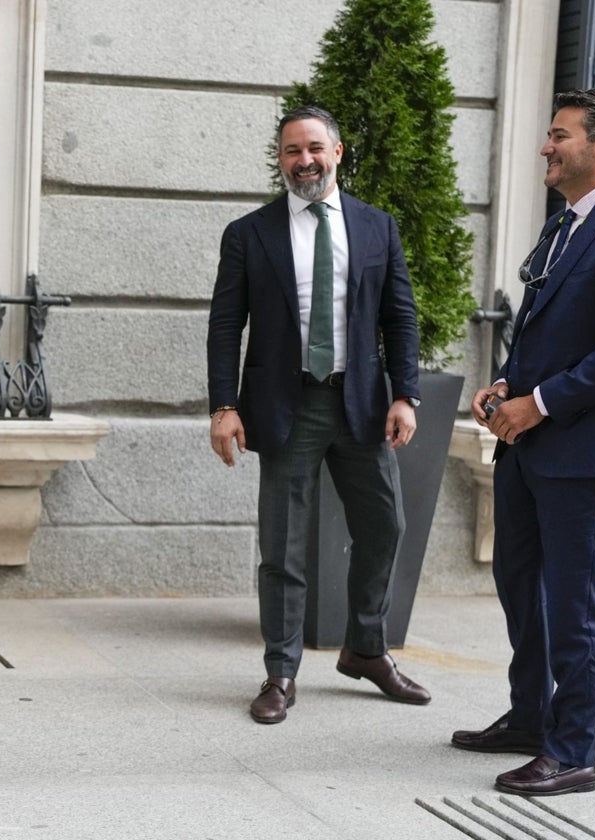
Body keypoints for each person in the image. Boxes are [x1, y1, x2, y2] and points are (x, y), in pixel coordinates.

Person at [206, 106, 430, 724]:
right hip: (287, 406)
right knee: (283, 545)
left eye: (313, 148)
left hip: (360, 404)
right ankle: (280, 671)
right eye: (289, 151)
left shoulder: (377, 226)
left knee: (385, 526)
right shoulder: (250, 234)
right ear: (280, 161)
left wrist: (406, 394)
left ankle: (365, 647)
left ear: (337, 152)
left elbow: (400, 317)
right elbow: (226, 326)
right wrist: (224, 407)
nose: (302, 160)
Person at [453, 88, 595, 797]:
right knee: (520, 584)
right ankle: (529, 717)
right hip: (527, 443)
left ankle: (573, 749)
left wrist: (541, 403)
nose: (546, 147)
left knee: (574, 601)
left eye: (560, 135)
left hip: (582, 450)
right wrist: (503, 383)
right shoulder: (564, 225)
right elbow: (542, 330)